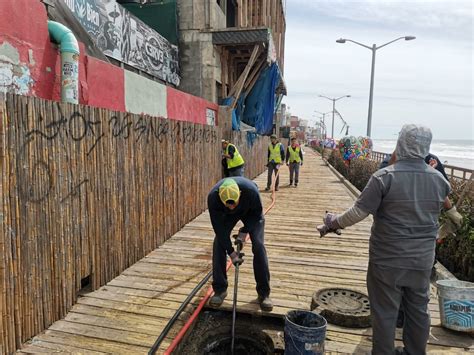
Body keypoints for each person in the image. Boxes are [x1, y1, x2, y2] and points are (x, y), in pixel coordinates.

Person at [317, 124, 462, 354]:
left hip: (387, 261)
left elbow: (357, 213)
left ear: (400, 144)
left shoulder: (384, 177)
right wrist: (437, 235)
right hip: (422, 262)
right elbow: (453, 217)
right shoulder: (439, 181)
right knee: (418, 310)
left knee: (385, 313)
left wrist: (332, 222)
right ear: (426, 147)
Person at [207, 177, 273, 311]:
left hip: (250, 212)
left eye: (233, 203)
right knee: (218, 243)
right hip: (228, 216)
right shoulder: (213, 198)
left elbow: (257, 215)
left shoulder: (251, 191)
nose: (231, 206)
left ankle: (263, 293)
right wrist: (231, 252)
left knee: (259, 246)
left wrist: (245, 231)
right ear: (220, 197)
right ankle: (220, 289)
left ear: (240, 194)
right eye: (228, 204)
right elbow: (219, 229)